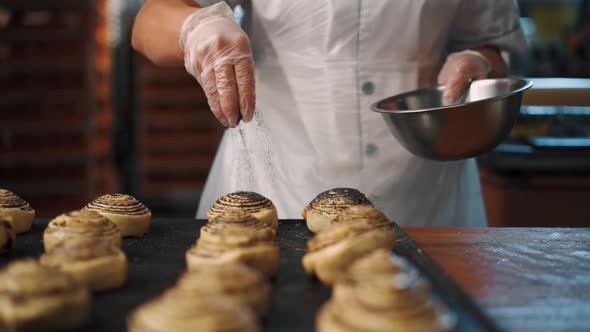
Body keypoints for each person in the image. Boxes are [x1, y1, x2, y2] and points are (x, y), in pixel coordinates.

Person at [132, 0, 526, 226]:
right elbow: (149, 22)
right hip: (275, 182)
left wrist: (479, 60)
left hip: (422, 189)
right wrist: (196, 28)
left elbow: (494, 45)